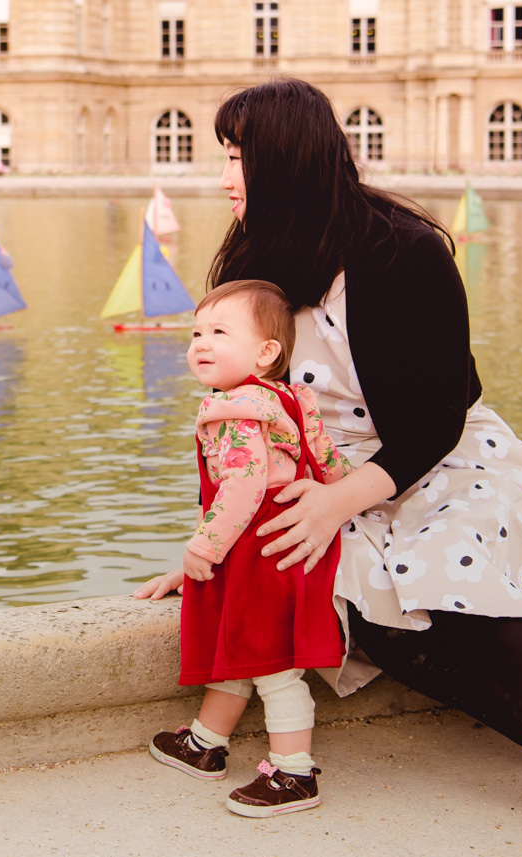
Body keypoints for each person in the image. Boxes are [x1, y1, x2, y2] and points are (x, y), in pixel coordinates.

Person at [196, 77, 522, 852]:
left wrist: (344, 501)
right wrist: (209, 538)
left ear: (286, 162)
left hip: (441, 456)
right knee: (346, 598)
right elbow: (234, 417)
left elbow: (435, 417)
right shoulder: (254, 260)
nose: (225, 177)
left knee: (456, 565)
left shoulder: (404, 252)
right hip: (320, 474)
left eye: (239, 158)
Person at [134, 279, 352, 817]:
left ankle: (295, 772)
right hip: (285, 546)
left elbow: (243, 485)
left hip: (257, 553)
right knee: (240, 650)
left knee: (274, 666)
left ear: (266, 351)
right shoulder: (289, 400)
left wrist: (201, 548)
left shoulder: (234, 409)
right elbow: (329, 464)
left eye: (218, 333)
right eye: (196, 333)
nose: (200, 344)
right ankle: (206, 741)